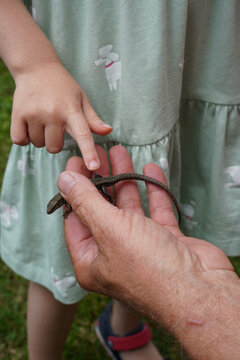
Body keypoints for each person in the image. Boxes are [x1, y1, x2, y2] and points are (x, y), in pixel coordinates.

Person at [0, 0, 239, 359]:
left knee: (147, 240)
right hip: (76, 71)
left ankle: (123, 329)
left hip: (190, 56)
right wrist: (34, 64)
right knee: (69, 260)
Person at [59, 147, 240, 360]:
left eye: (56, 206)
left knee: (107, 186)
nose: (56, 207)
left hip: (100, 184)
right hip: (99, 182)